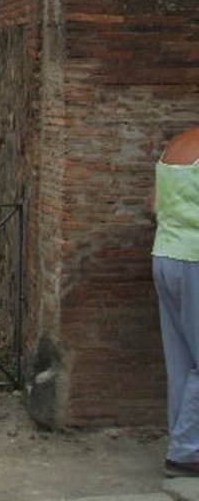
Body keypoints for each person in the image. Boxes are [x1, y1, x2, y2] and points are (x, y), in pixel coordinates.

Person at [154, 126, 199, 478]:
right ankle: (186, 451)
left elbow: (151, 204)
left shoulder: (177, 145)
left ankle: (183, 442)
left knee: (181, 359)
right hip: (196, 260)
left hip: (166, 256)